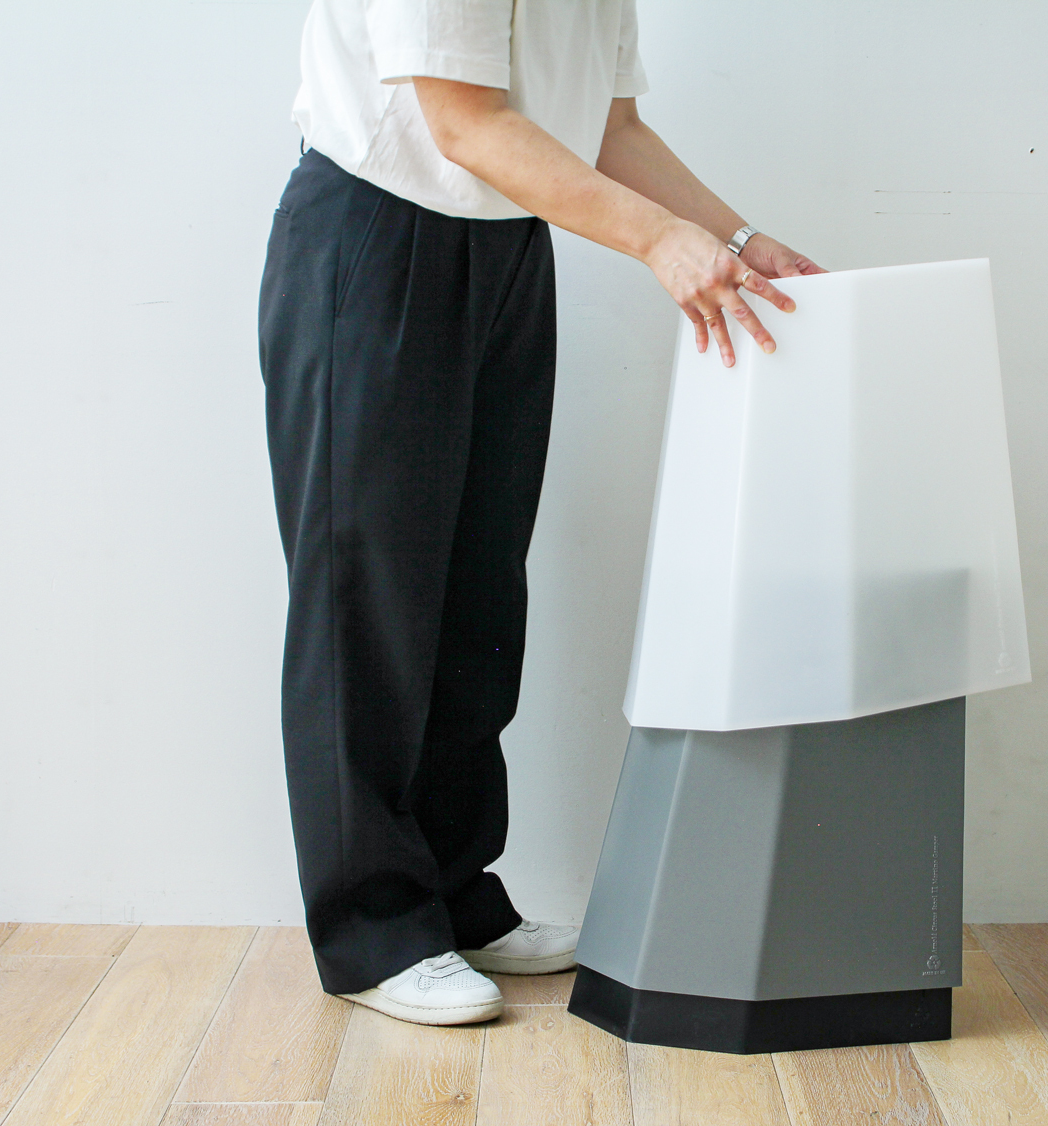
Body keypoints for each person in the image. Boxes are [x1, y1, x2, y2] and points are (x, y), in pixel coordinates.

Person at [259, 0, 824, 1027]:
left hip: (508, 244)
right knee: (369, 602)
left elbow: (610, 128)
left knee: (479, 595)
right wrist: (658, 240)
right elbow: (464, 123)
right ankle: (375, 929)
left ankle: (455, 897)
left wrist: (737, 241)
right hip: (376, 236)